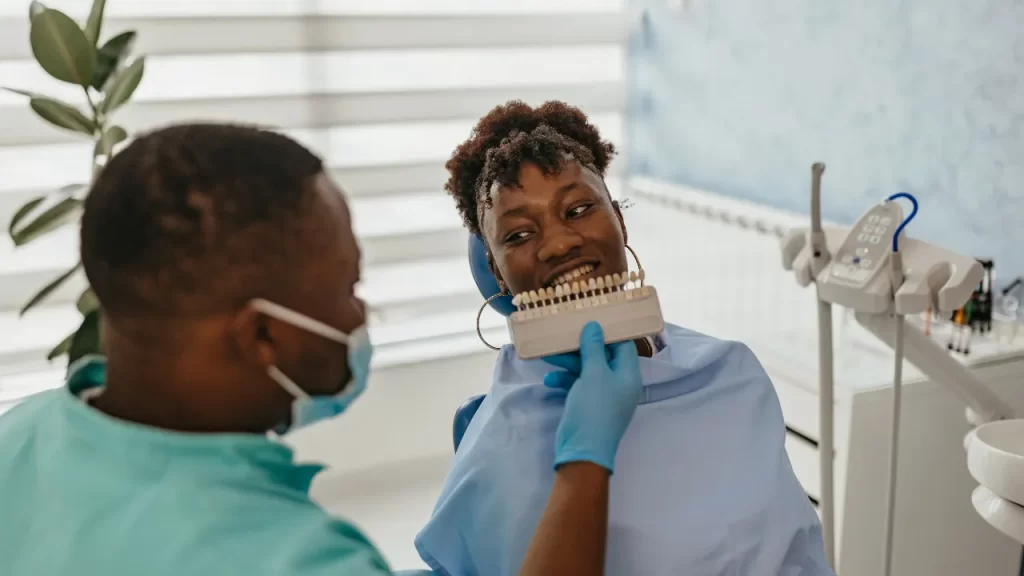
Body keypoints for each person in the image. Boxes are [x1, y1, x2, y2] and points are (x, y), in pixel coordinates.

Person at [0, 123, 645, 576]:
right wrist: (585, 460)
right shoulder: (293, 559)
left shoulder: (19, 435)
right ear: (262, 336)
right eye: (347, 287)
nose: (361, 314)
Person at [414, 101, 835, 575]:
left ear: (619, 219)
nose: (558, 243)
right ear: (497, 272)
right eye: (518, 235)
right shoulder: (500, 445)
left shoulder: (731, 372)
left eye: (577, 209)